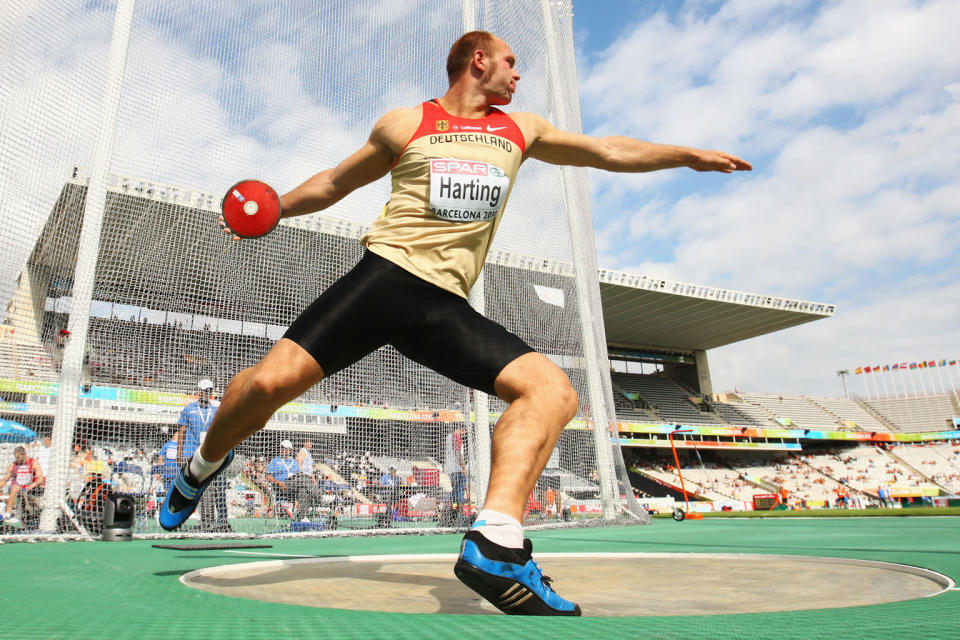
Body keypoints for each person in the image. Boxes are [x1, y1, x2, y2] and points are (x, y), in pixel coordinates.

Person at [161, 31, 750, 616]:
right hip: (382, 279)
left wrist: (685, 155)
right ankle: (202, 466)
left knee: (552, 391)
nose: (518, 76)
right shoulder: (404, 125)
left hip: (442, 306)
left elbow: (607, 150)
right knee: (263, 388)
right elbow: (336, 183)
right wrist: (275, 206)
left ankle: (497, 540)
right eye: (510, 63)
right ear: (478, 61)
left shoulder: (523, 129)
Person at [176, 379, 230, 531]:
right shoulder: (189, 409)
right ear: (198, 391)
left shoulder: (216, 409)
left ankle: (209, 522)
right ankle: (180, 520)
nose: (207, 393)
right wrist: (179, 454)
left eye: (209, 391)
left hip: (208, 455)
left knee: (210, 488)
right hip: (190, 452)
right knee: (187, 489)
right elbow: (182, 432)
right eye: (204, 390)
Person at [1, 446, 44, 524]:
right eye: (15, 457)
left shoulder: (33, 462)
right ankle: (7, 513)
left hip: (30, 487)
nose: (17, 459)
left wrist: (32, 485)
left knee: (21, 491)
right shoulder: (13, 465)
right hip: (18, 486)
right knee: (14, 488)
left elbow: (40, 478)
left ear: (24, 454)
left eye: (18, 457)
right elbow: (5, 480)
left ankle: (32, 515)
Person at [444, 425, 467, 510]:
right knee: (460, 493)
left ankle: (453, 513)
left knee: (455, 492)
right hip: (458, 469)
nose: (464, 434)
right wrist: (463, 467)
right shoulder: (457, 437)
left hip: (450, 469)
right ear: (462, 429)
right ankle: (460, 515)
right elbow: (458, 453)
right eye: (465, 432)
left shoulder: (449, 437)